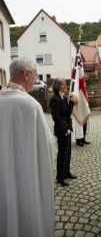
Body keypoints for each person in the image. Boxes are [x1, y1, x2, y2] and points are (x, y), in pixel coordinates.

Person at [0, 58, 54, 237]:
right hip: (27, 181)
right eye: (35, 75)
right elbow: (46, 146)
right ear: (25, 74)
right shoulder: (31, 106)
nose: (35, 79)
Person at [49, 78, 77, 187]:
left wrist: (71, 104)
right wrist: (65, 129)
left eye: (65, 84)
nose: (65, 86)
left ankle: (67, 172)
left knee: (68, 152)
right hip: (61, 131)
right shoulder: (55, 99)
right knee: (62, 154)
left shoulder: (64, 98)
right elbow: (56, 117)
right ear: (57, 86)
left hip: (67, 129)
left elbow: (67, 114)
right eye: (62, 84)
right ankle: (60, 177)